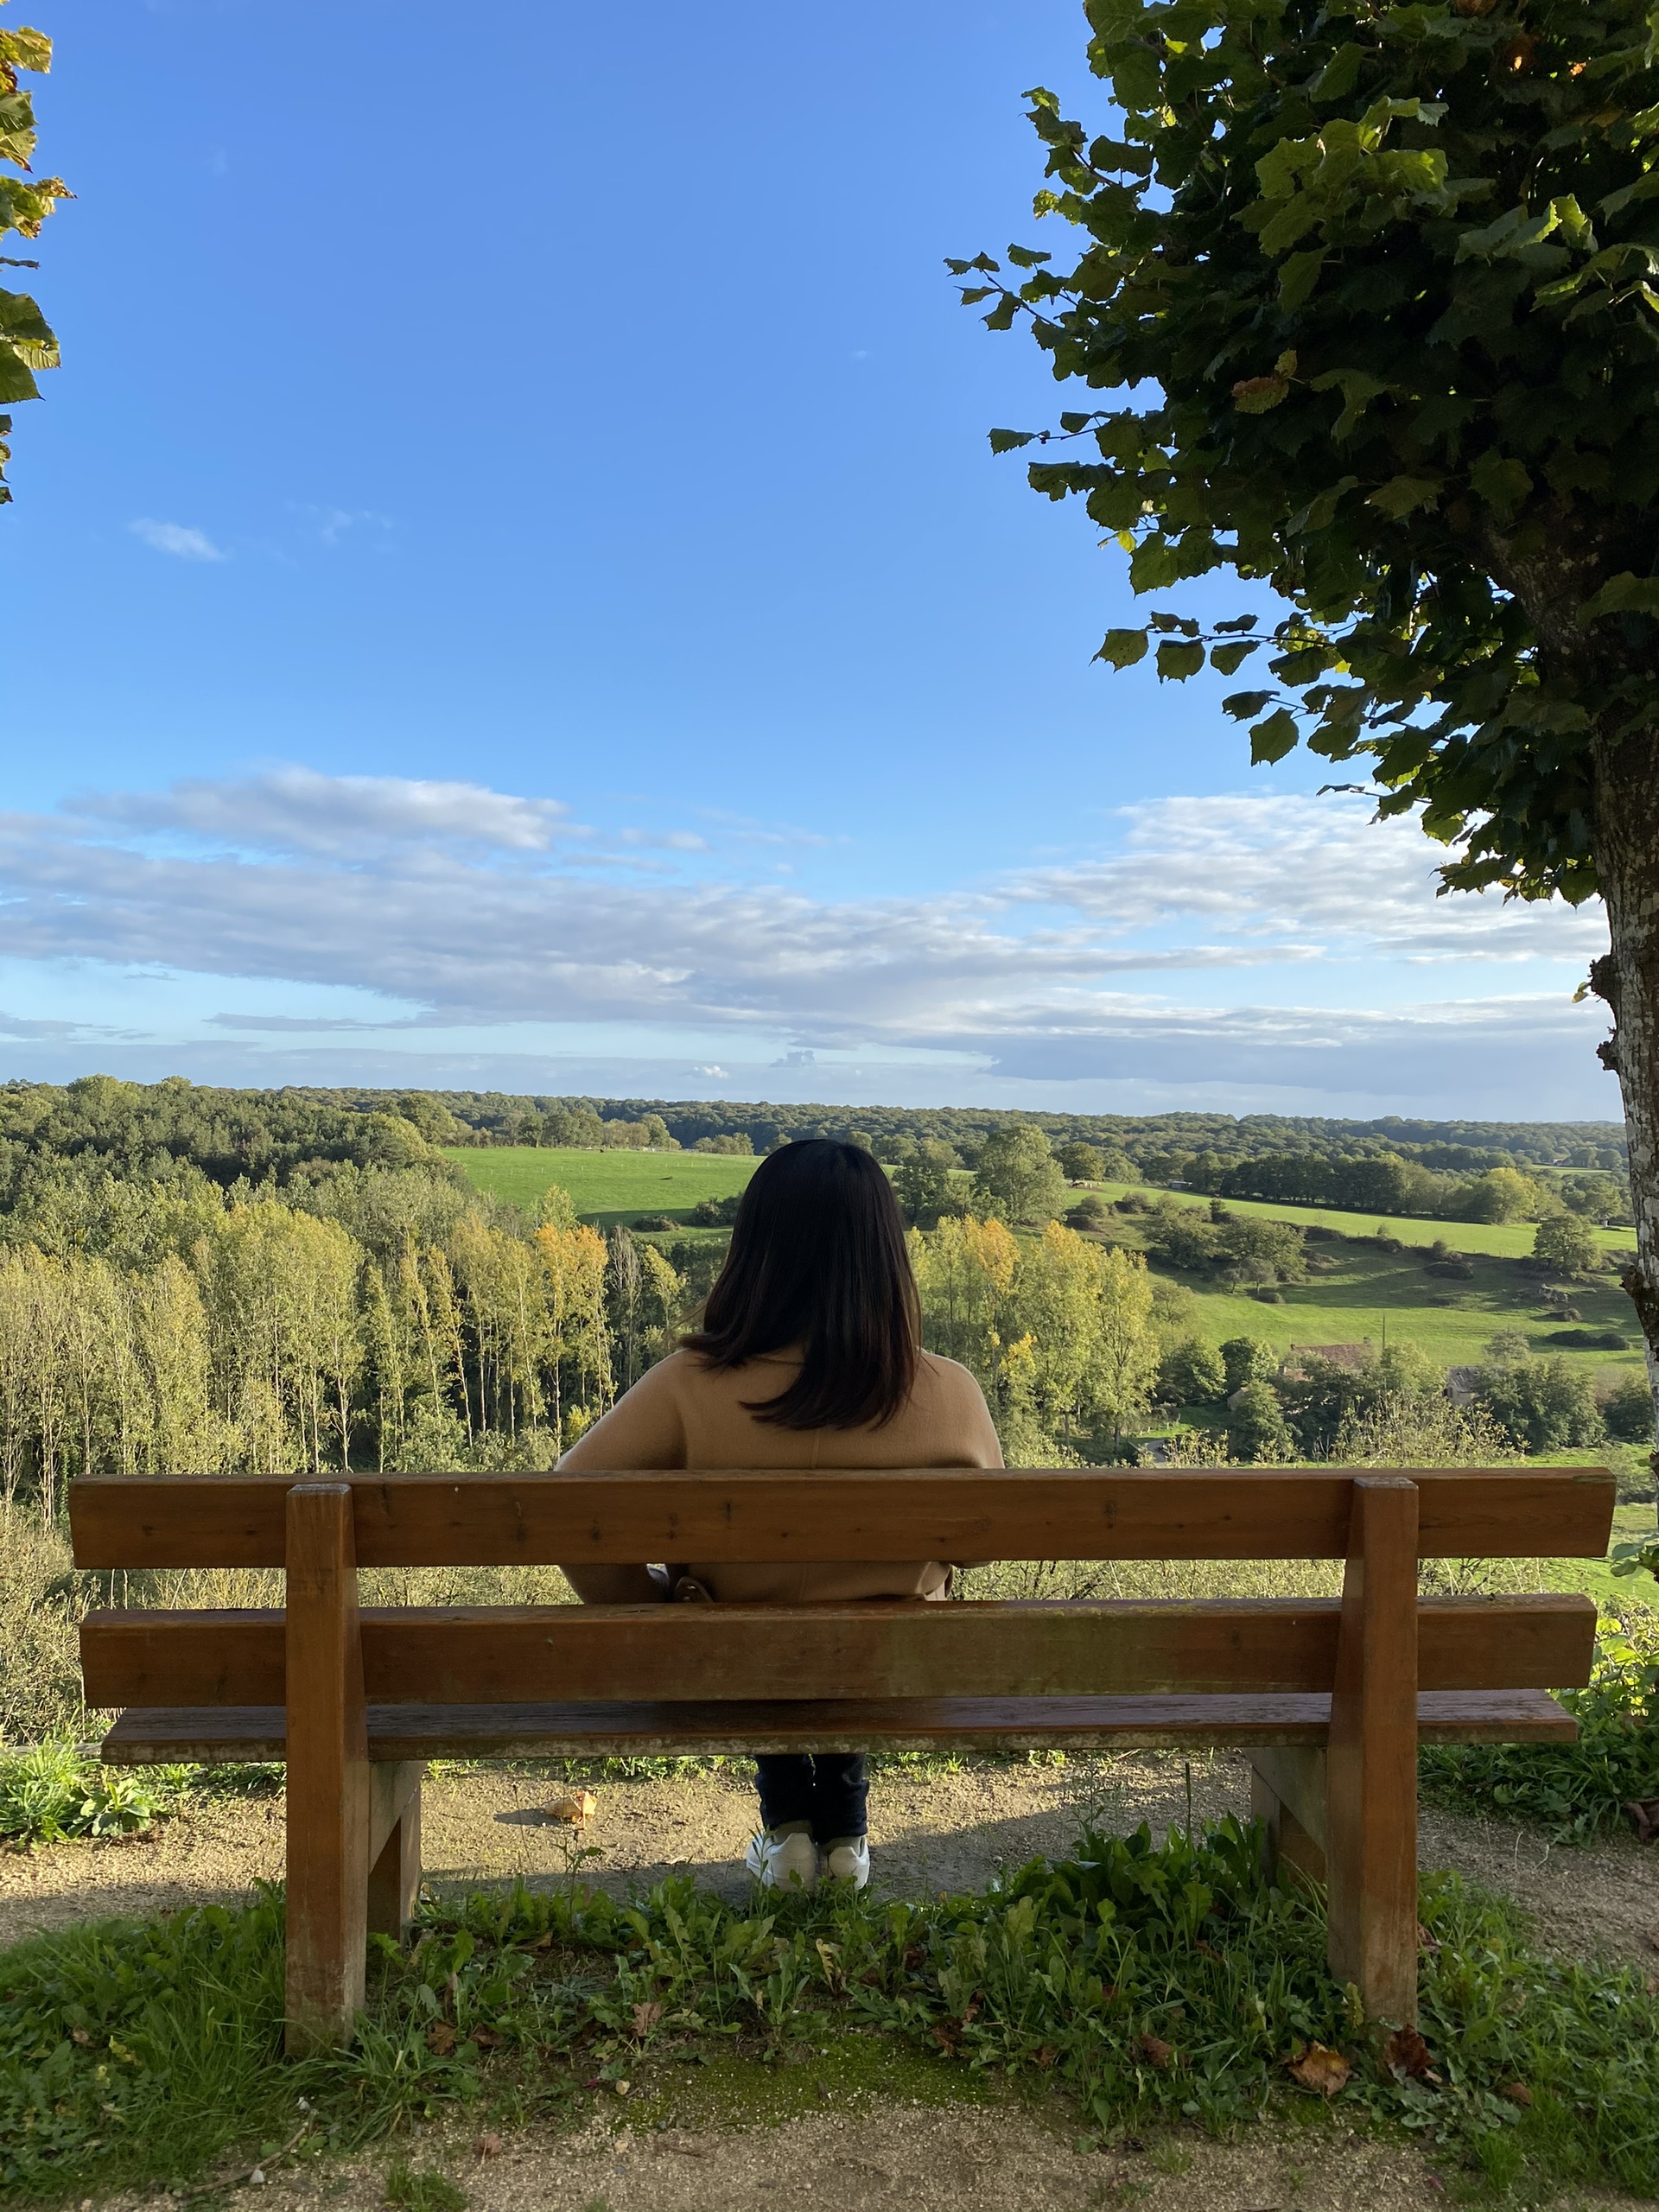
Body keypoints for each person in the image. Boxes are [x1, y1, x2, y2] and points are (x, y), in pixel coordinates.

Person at [556, 1137, 1003, 1892]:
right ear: (885, 1256)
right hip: (895, 1668)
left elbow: (566, 1508)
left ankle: (789, 1829)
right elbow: (989, 1546)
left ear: (755, 1251)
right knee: (865, 1620)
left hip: (734, 1659)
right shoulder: (948, 1391)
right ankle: (844, 1839)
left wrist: (654, 1603)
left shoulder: (685, 1385)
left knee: (755, 1621)